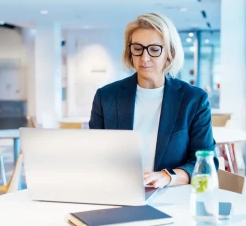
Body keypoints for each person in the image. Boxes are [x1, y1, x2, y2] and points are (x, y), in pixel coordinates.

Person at [89, 13, 217, 189]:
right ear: (130, 51)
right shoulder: (106, 97)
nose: (144, 57)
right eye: (137, 48)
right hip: (117, 192)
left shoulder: (193, 99)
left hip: (172, 196)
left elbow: (205, 162)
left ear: (170, 53)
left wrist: (167, 177)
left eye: (154, 50)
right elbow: (94, 154)